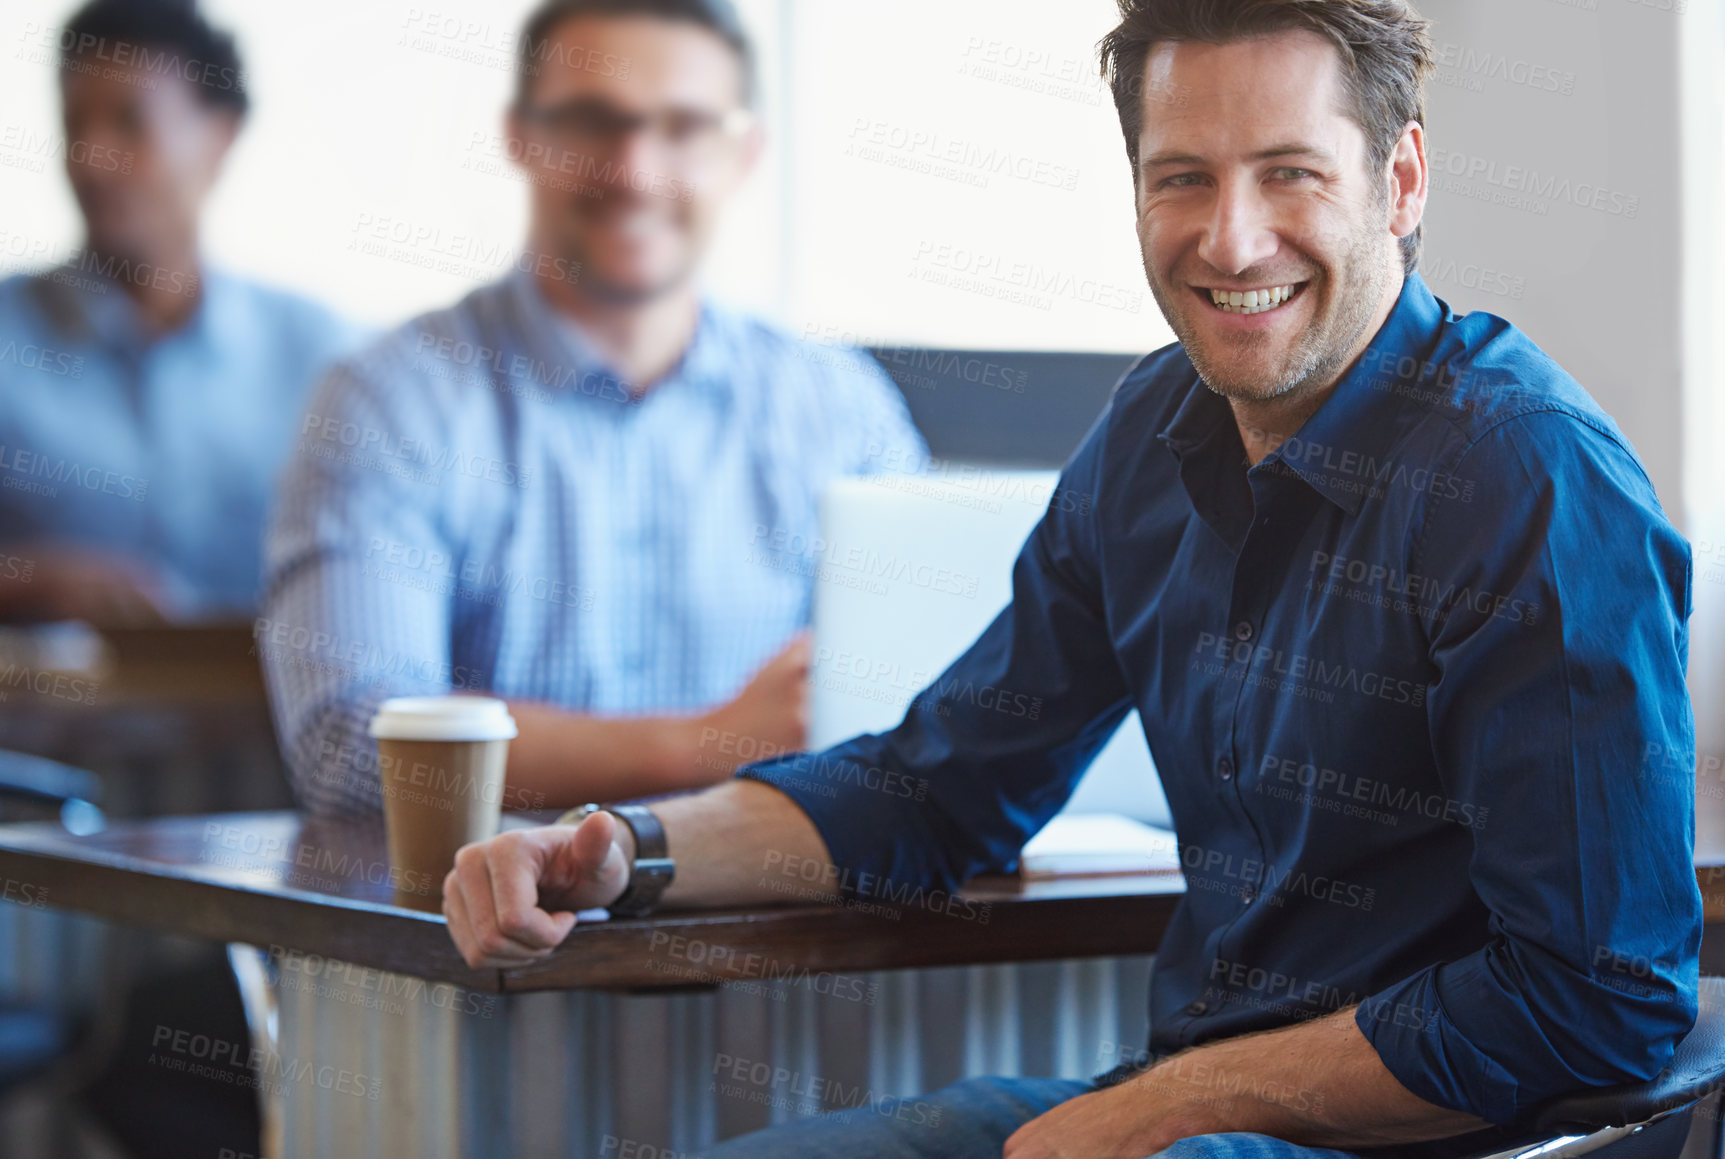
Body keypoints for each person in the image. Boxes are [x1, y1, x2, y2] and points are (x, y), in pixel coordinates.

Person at [439, 1, 1703, 1157]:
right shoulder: (1154, 433)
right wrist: (624, 851)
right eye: (1182, 179)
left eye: (1290, 174)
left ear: (1402, 179)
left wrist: (1163, 1104)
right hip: (1183, 1102)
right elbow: (936, 792)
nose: (1231, 236)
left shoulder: (1529, 476)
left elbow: (1592, 999)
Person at [260, 0, 927, 818]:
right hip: (468, 938)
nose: (637, 169)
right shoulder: (389, 402)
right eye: (591, 122)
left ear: (743, 154)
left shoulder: (840, 410)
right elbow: (354, 752)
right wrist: (711, 740)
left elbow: (924, 714)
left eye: (685, 127)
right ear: (520, 136)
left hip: (772, 921)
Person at [0, 0, 362, 625]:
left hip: (265, 719)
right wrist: (29, 580)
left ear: (221, 138)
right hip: (43, 718)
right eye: (73, 126)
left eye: (128, 122)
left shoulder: (320, 355)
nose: (90, 159)